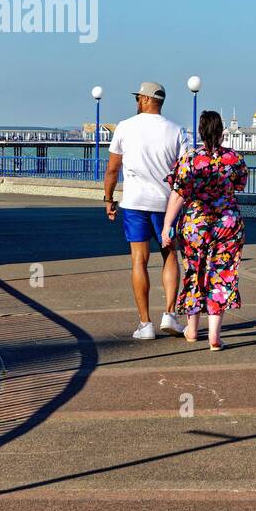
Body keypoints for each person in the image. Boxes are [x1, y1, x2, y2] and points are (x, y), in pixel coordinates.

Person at [103, 81, 190, 340]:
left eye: (138, 97)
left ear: (144, 99)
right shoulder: (177, 131)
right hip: (167, 205)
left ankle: (145, 324)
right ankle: (170, 315)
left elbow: (112, 170)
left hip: (134, 203)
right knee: (170, 255)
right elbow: (185, 173)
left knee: (139, 260)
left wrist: (108, 199)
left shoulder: (125, 127)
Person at [161, 111, 248, 350]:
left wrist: (167, 226)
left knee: (194, 271)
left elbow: (178, 194)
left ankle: (191, 330)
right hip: (227, 224)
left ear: (200, 132)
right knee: (222, 274)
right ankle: (214, 337)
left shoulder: (189, 160)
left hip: (195, 224)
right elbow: (240, 184)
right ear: (221, 132)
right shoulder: (234, 159)